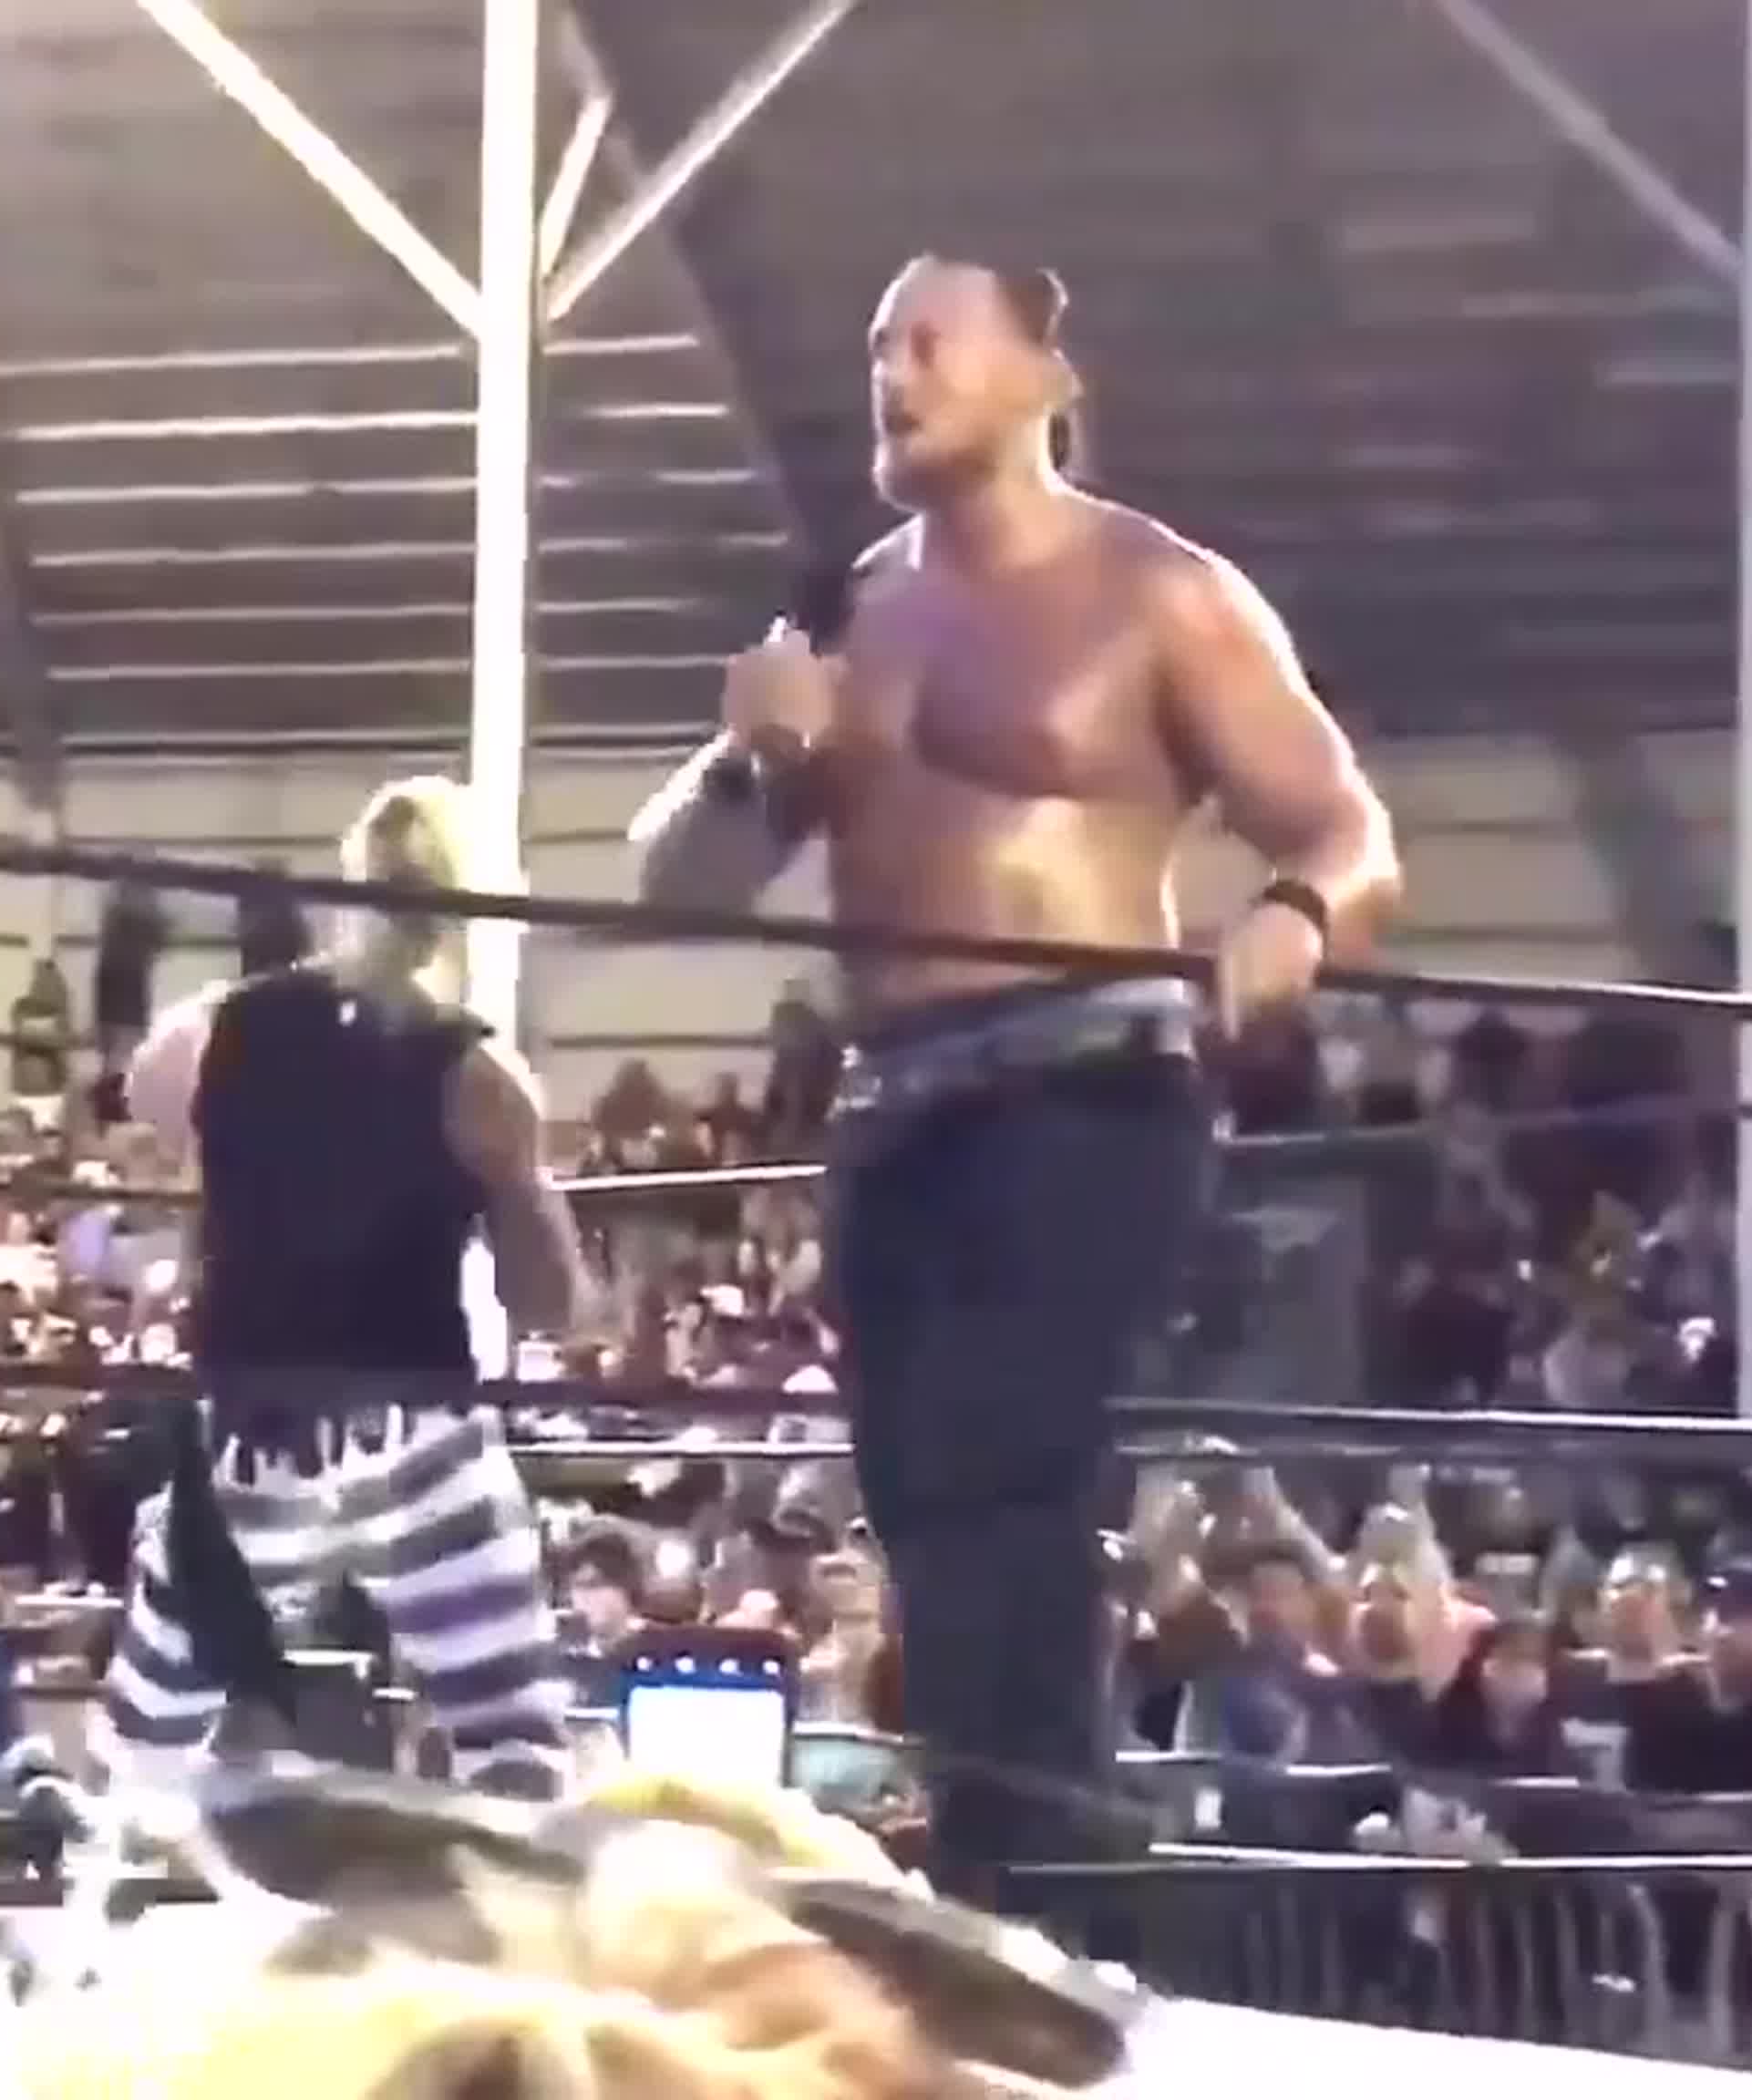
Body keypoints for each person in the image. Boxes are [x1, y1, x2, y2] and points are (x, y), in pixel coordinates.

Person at [625, 256, 1401, 1904]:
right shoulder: (845, 614)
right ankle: (1015, 1877)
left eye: (929, 342)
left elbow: (1346, 826)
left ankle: (1050, 1889)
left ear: (1047, 372)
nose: (892, 375)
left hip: (1081, 1080)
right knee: (922, 1508)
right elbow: (672, 885)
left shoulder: (1157, 590)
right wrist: (751, 754)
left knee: (1008, 1478)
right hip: (891, 1104)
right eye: (876, 347)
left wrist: (1295, 913)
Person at [91, 777, 583, 1803]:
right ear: (468, 905)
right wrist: (514, 1192)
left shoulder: (217, 1028)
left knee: (143, 1750)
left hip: (255, 1440)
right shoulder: (480, 1079)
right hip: (417, 1440)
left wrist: (255, 1161)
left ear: (352, 885)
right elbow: (551, 1305)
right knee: (512, 1733)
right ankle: (516, 1887)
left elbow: (143, 1091)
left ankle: (100, 1871)